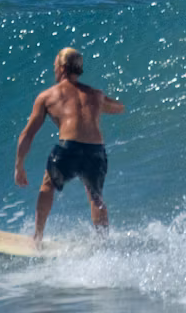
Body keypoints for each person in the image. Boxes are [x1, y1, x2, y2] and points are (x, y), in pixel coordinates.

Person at [13, 46, 124, 244]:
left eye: (55, 65)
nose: (54, 69)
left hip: (69, 149)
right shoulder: (96, 95)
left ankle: (37, 238)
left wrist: (19, 167)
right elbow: (119, 108)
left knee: (48, 185)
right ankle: (103, 243)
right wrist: (100, 104)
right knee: (96, 197)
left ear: (63, 68)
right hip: (96, 152)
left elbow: (27, 134)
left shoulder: (47, 97)